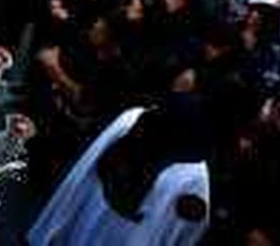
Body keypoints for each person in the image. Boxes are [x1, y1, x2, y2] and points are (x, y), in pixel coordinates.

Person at [29, 100, 211, 245]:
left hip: (120, 225)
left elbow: (186, 229)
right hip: (104, 214)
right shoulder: (133, 120)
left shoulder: (191, 174)